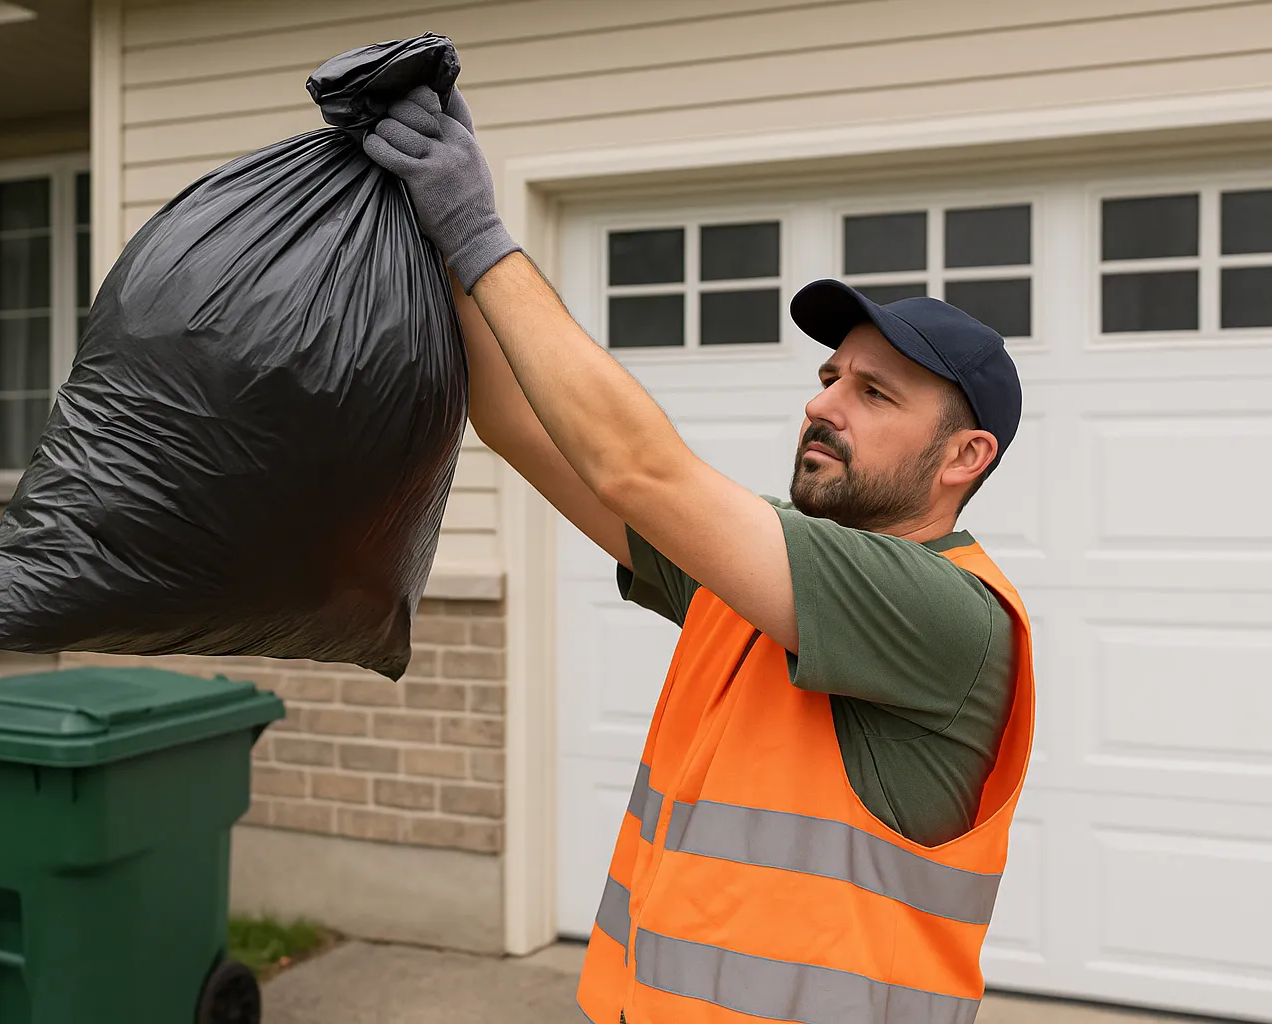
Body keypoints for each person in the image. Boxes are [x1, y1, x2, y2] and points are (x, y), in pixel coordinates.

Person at [365, 86, 1037, 1024]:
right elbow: (518, 421)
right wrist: (440, 243)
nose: (823, 404)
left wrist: (480, 232)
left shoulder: (951, 616)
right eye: (829, 377)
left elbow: (638, 471)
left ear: (965, 458)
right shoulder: (758, 571)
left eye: (875, 394)